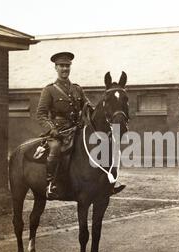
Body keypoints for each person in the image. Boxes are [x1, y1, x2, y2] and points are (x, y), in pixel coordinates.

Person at [37, 52, 125, 199]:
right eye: (61, 66)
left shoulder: (77, 89)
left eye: (67, 66)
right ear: (56, 68)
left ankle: (108, 181)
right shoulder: (49, 90)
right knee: (56, 148)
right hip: (58, 132)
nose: (65, 68)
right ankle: (51, 184)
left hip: (77, 129)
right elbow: (41, 114)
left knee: (102, 143)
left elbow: (89, 106)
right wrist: (51, 129)